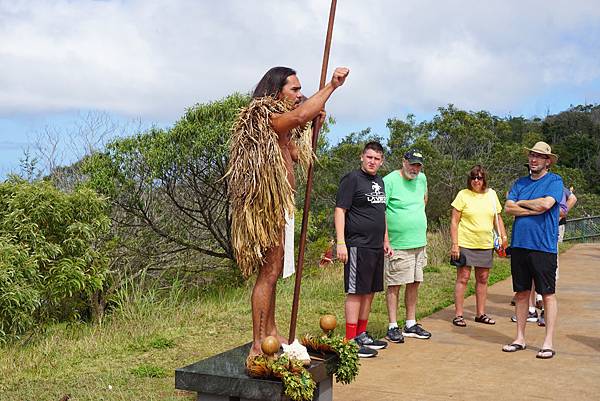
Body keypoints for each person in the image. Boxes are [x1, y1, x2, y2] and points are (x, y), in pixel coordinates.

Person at [228, 66, 350, 358]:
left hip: (281, 206)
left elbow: (297, 154)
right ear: (276, 90)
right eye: (293, 89)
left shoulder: (281, 127)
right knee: (267, 272)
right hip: (266, 209)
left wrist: (313, 126)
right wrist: (331, 86)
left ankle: (271, 333)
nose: (298, 95)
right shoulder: (265, 117)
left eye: (299, 90)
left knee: (273, 270)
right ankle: (258, 343)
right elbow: (298, 116)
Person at [502, 141, 563, 359]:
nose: (533, 159)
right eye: (531, 155)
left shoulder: (555, 181)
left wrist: (522, 204)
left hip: (543, 247)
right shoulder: (520, 182)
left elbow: (546, 205)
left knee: (547, 293)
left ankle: (548, 342)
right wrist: (531, 207)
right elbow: (508, 208)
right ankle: (519, 338)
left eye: (539, 156)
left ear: (548, 161)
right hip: (520, 245)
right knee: (521, 293)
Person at [335, 141, 392, 358]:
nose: (372, 162)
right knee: (356, 291)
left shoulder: (379, 181)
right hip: (357, 245)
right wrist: (341, 242)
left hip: (376, 245)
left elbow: (382, 212)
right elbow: (340, 210)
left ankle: (361, 334)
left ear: (381, 161)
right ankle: (350, 340)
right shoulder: (352, 179)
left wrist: (386, 239)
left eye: (377, 159)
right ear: (362, 157)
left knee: (369, 291)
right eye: (369, 157)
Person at [383, 149, 432, 343]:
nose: (415, 168)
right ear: (403, 162)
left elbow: (424, 200)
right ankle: (392, 325)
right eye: (412, 164)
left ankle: (410, 323)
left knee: (414, 282)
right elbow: (382, 211)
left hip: (418, 242)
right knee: (394, 283)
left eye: (418, 165)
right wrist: (385, 239)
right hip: (397, 243)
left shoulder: (422, 179)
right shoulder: (389, 181)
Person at [450, 165, 508, 327]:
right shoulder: (463, 195)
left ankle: (480, 313)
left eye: (480, 178)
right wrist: (455, 244)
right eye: (474, 177)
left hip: (485, 244)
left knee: (483, 278)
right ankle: (459, 315)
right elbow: (454, 221)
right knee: (463, 278)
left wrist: (503, 236)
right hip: (465, 243)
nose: (476, 180)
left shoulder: (491, 195)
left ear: (484, 180)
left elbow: (498, 218)